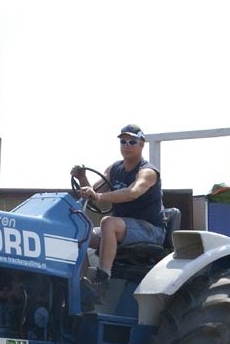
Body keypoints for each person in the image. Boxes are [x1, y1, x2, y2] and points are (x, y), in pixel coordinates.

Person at [70, 124, 165, 301]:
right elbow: (93, 192)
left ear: (141, 144)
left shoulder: (148, 172)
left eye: (132, 142)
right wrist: (82, 178)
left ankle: (102, 281)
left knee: (108, 222)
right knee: (79, 233)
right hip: (122, 229)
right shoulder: (114, 169)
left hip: (151, 230)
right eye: (123, 141)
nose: (126, 145)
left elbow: (132, 192)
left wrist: (98, 196)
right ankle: (81, 284)